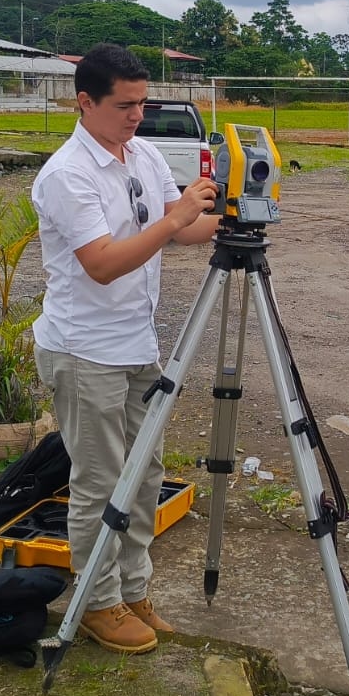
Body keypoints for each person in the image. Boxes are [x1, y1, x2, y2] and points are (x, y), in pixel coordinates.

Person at [31, 44, 220, 653]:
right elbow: (104, 263)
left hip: (138, 343)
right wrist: (175, 220)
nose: (137, 116)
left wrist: (239, 213)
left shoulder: (142, 153)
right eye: (124, 105)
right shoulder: (67, 174)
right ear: (85, 102)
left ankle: (133, 590)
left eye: (142, 103)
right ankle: (96, 600)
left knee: (144, 476)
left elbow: (185, 228)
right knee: (99, 482)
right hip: (84, 350)